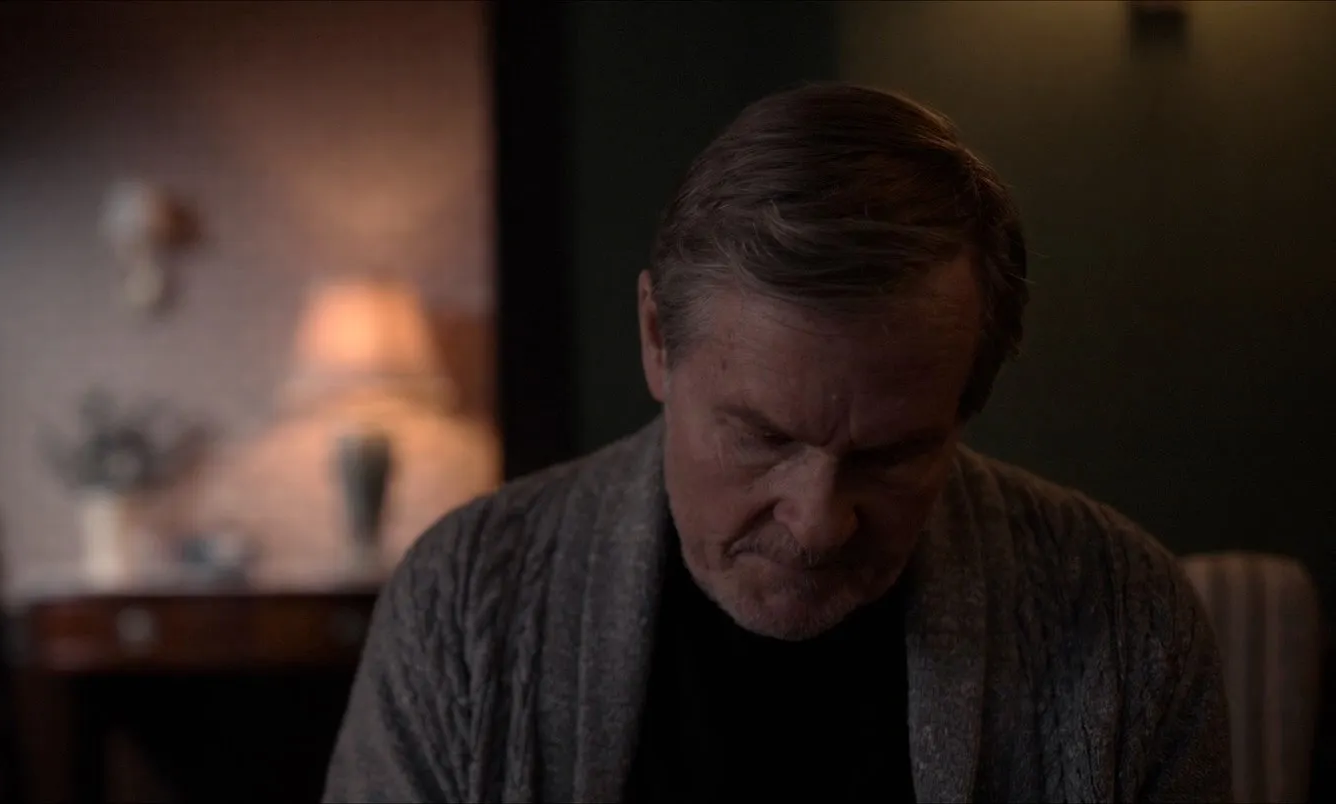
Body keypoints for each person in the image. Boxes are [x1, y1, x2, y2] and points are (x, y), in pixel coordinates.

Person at [322, 83, 1232, 803]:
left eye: (891, 455)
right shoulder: (462, 607)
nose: (817, 522)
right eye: (761, 437)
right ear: (657, 339)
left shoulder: (1123, 619)